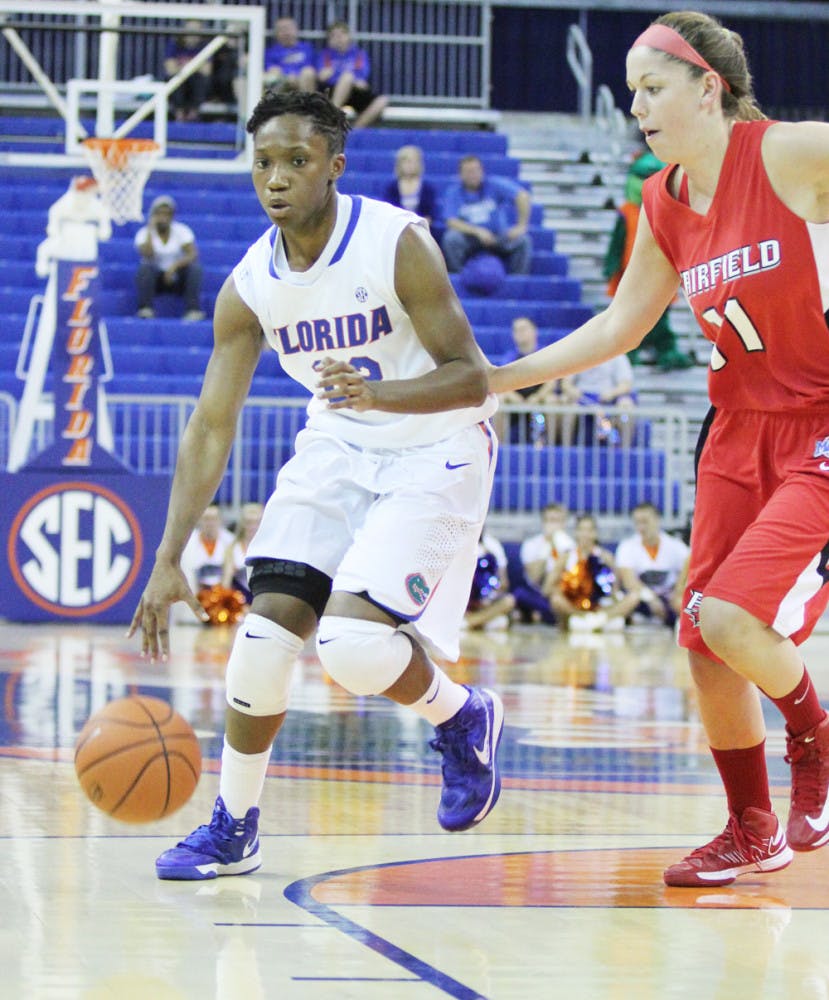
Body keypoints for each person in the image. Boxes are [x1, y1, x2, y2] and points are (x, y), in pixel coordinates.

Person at [489, 10, 829, 888]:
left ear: (708, 87)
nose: (635, 106)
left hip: (819, 424)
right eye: (630, 91)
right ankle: (751, 829)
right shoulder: (663, 200)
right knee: (702, 642)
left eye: (651, 87)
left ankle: (814, 742)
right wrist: (503, 378)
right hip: (734, 431)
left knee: (731, 618)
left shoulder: (790, 154)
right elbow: (619, 325)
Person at [128, 90, 504, 880]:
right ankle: (234, 827)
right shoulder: (249, 286)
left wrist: (380, 395)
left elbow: (471, 377)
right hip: (338, 445)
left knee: (352, 648)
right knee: (260, 640)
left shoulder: (395, 242)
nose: (276, 177)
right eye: (263, 162)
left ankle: (461, 714)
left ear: (334, 166)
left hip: (436, 446)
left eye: (296, 161)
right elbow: (210, 426)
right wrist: (167, 556)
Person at [604, 148, 695, 372]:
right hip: (631, 278)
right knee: (629, 319)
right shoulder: (626, 213)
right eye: (643, 177)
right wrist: (611, 267)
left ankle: (666, 351)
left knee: (660, 321)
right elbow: (617, 243)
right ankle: (629, 351)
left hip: (660, 278)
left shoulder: (670, 214)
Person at [543, 514, 638, 632]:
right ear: (576, 533)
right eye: (582, 530)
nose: (585, 534)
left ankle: (600, 619)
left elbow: (615, 589)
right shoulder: (566, 557)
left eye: (589, 530)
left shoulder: (605, 557)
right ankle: (585, 619)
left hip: (599, 606)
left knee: (633, 597)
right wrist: (563, 589)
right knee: (556, 599)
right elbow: (547, 588)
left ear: (595, 533)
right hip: (574, 606)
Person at [441, 155, 533, 275]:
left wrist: (521, 225)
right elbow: (451, 221)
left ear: (482, 171)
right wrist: (477, 231)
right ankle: (458, 277)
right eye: (468, 171)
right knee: (451, 238)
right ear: (460, 175)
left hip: (498, 236)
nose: (473, 175)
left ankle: (518, 280)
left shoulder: (494, 184)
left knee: (523, 241)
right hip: (470, 239)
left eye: (476, 170)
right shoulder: (453, 192)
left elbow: (522, 196)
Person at [614, 502, 690, 627]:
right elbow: (630, 582)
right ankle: (601, 621)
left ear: (657, 520)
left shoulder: (676, 546)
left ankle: (692, 629)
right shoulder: (627, 547)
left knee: (681, 602)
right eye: (637, 523)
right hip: (642, 599)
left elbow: (689, 570)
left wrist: (678, 591)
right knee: (632, 598)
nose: (641, 527)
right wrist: (651, 598)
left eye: (645, 522)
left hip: (668, 599)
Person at [494, 315, 565, 444]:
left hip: (539, 397)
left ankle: (551, 447)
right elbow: (502, 381)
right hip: (516, 399)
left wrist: (537, 397)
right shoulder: (510, 357)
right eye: (516, 330)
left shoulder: (544, 354)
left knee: (552, 400)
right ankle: (499, 447)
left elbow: (552, 381)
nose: (519, 333)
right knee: (500, 400)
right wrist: (514, 397)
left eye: (523, 329)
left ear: (534, 331)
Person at [134, 195, 205, 321]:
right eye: (160, 214)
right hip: (156, 280)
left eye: (167, 214)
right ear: (153, 215)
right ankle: (146, 309)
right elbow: (148, 254)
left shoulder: (182, 230)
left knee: (195, 269)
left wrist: (174, 267)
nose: (164, 217)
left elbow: (193, 254)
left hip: (177, 277)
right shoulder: (143, 233)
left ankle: (193, 310)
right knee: (144, 269)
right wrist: (150, 230)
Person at [316, 21, 388, 129]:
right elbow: (322, 76)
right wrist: (346, 77)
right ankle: (331, 117)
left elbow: (362, 79)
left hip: (354, 91)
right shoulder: (325, 55)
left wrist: (335, 72)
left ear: (348, 36)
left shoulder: (359, 54)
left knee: (382, 100)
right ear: (329, 40)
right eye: (334, 36)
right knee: (347, 77)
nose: (338, 38)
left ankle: (355, 130)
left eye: (341, 34)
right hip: (331, 91)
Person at [558, 354, 637, 447]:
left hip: (609, 398)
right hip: (582, 399)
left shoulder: (618, 355)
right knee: (568, 406)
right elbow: (565, 384)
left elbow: (626, 385)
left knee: (626, 405)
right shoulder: (578, 354)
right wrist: (574, 392)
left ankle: (625, 450)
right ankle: (566, 449)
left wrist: (612, 393)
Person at [514, 503, 575, 624]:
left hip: (562, 594)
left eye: (556, 521)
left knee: (557, 598)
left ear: (564, 523)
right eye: (549, 520)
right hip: (536, 594)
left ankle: (542, 616)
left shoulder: (571, 546)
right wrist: (547, 547)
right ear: (543, 522)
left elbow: (570, 578)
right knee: (519, 594)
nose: (552, 525)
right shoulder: (531, 545)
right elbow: (534, 578)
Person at [178, 504, 235, 625]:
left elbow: (231, 573)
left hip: (222, 601)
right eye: (206, 519)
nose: (210, 523)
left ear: (220, 521)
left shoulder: (230, 541)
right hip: (195, 598)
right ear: (199, 521)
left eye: (213, 519)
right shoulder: (188, 543)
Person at [464, 528, 516, 631]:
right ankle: (475, 623)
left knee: (509, 602)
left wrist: (490, 595)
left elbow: (503, 583)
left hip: (483, 604)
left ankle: (470, 623)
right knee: (500, 623)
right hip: (460, 602)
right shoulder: (457, 544)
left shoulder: (492, 547)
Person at [164, 20, 212, 122]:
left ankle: (193, 115)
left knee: (201, 80)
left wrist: (184, 64)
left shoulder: (205, 46)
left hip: (196, 82)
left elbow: (207, 70)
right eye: (191, 30)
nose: (194, 34)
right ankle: (179, 114)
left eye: (197, 30)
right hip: (181, 81)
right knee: (175, 79)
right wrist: (196, 65)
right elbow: (170, 69)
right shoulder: (175, 44)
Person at [381, 145, 438, 228]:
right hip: (397, 228)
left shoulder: (427, 188)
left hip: (422, 228)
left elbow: (431, 214)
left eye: (413, 161)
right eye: (406, 161)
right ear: (399, 164)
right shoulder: (391, 188)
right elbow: (388, 210)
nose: (409, 165)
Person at [222, 502, 266, 601]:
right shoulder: (232, 549)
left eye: (256, 522)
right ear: (242, 524)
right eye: (249, 522)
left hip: (261, 597)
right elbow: (226, 581)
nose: (253, 527)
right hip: (239, 598)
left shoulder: (268, 549)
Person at [263, 16, 317, 94]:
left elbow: (312, 67)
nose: (286, 32)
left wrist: (294, 76)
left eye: (289, 28)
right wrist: (288, 77)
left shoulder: (307, 48)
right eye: (282, 29)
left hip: (301, 80)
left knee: (308, 72)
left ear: (296, 30)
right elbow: (271, 69)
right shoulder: (270, 51)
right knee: (274, 73)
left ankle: (306, 101)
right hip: (282, 81)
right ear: (276, 33)